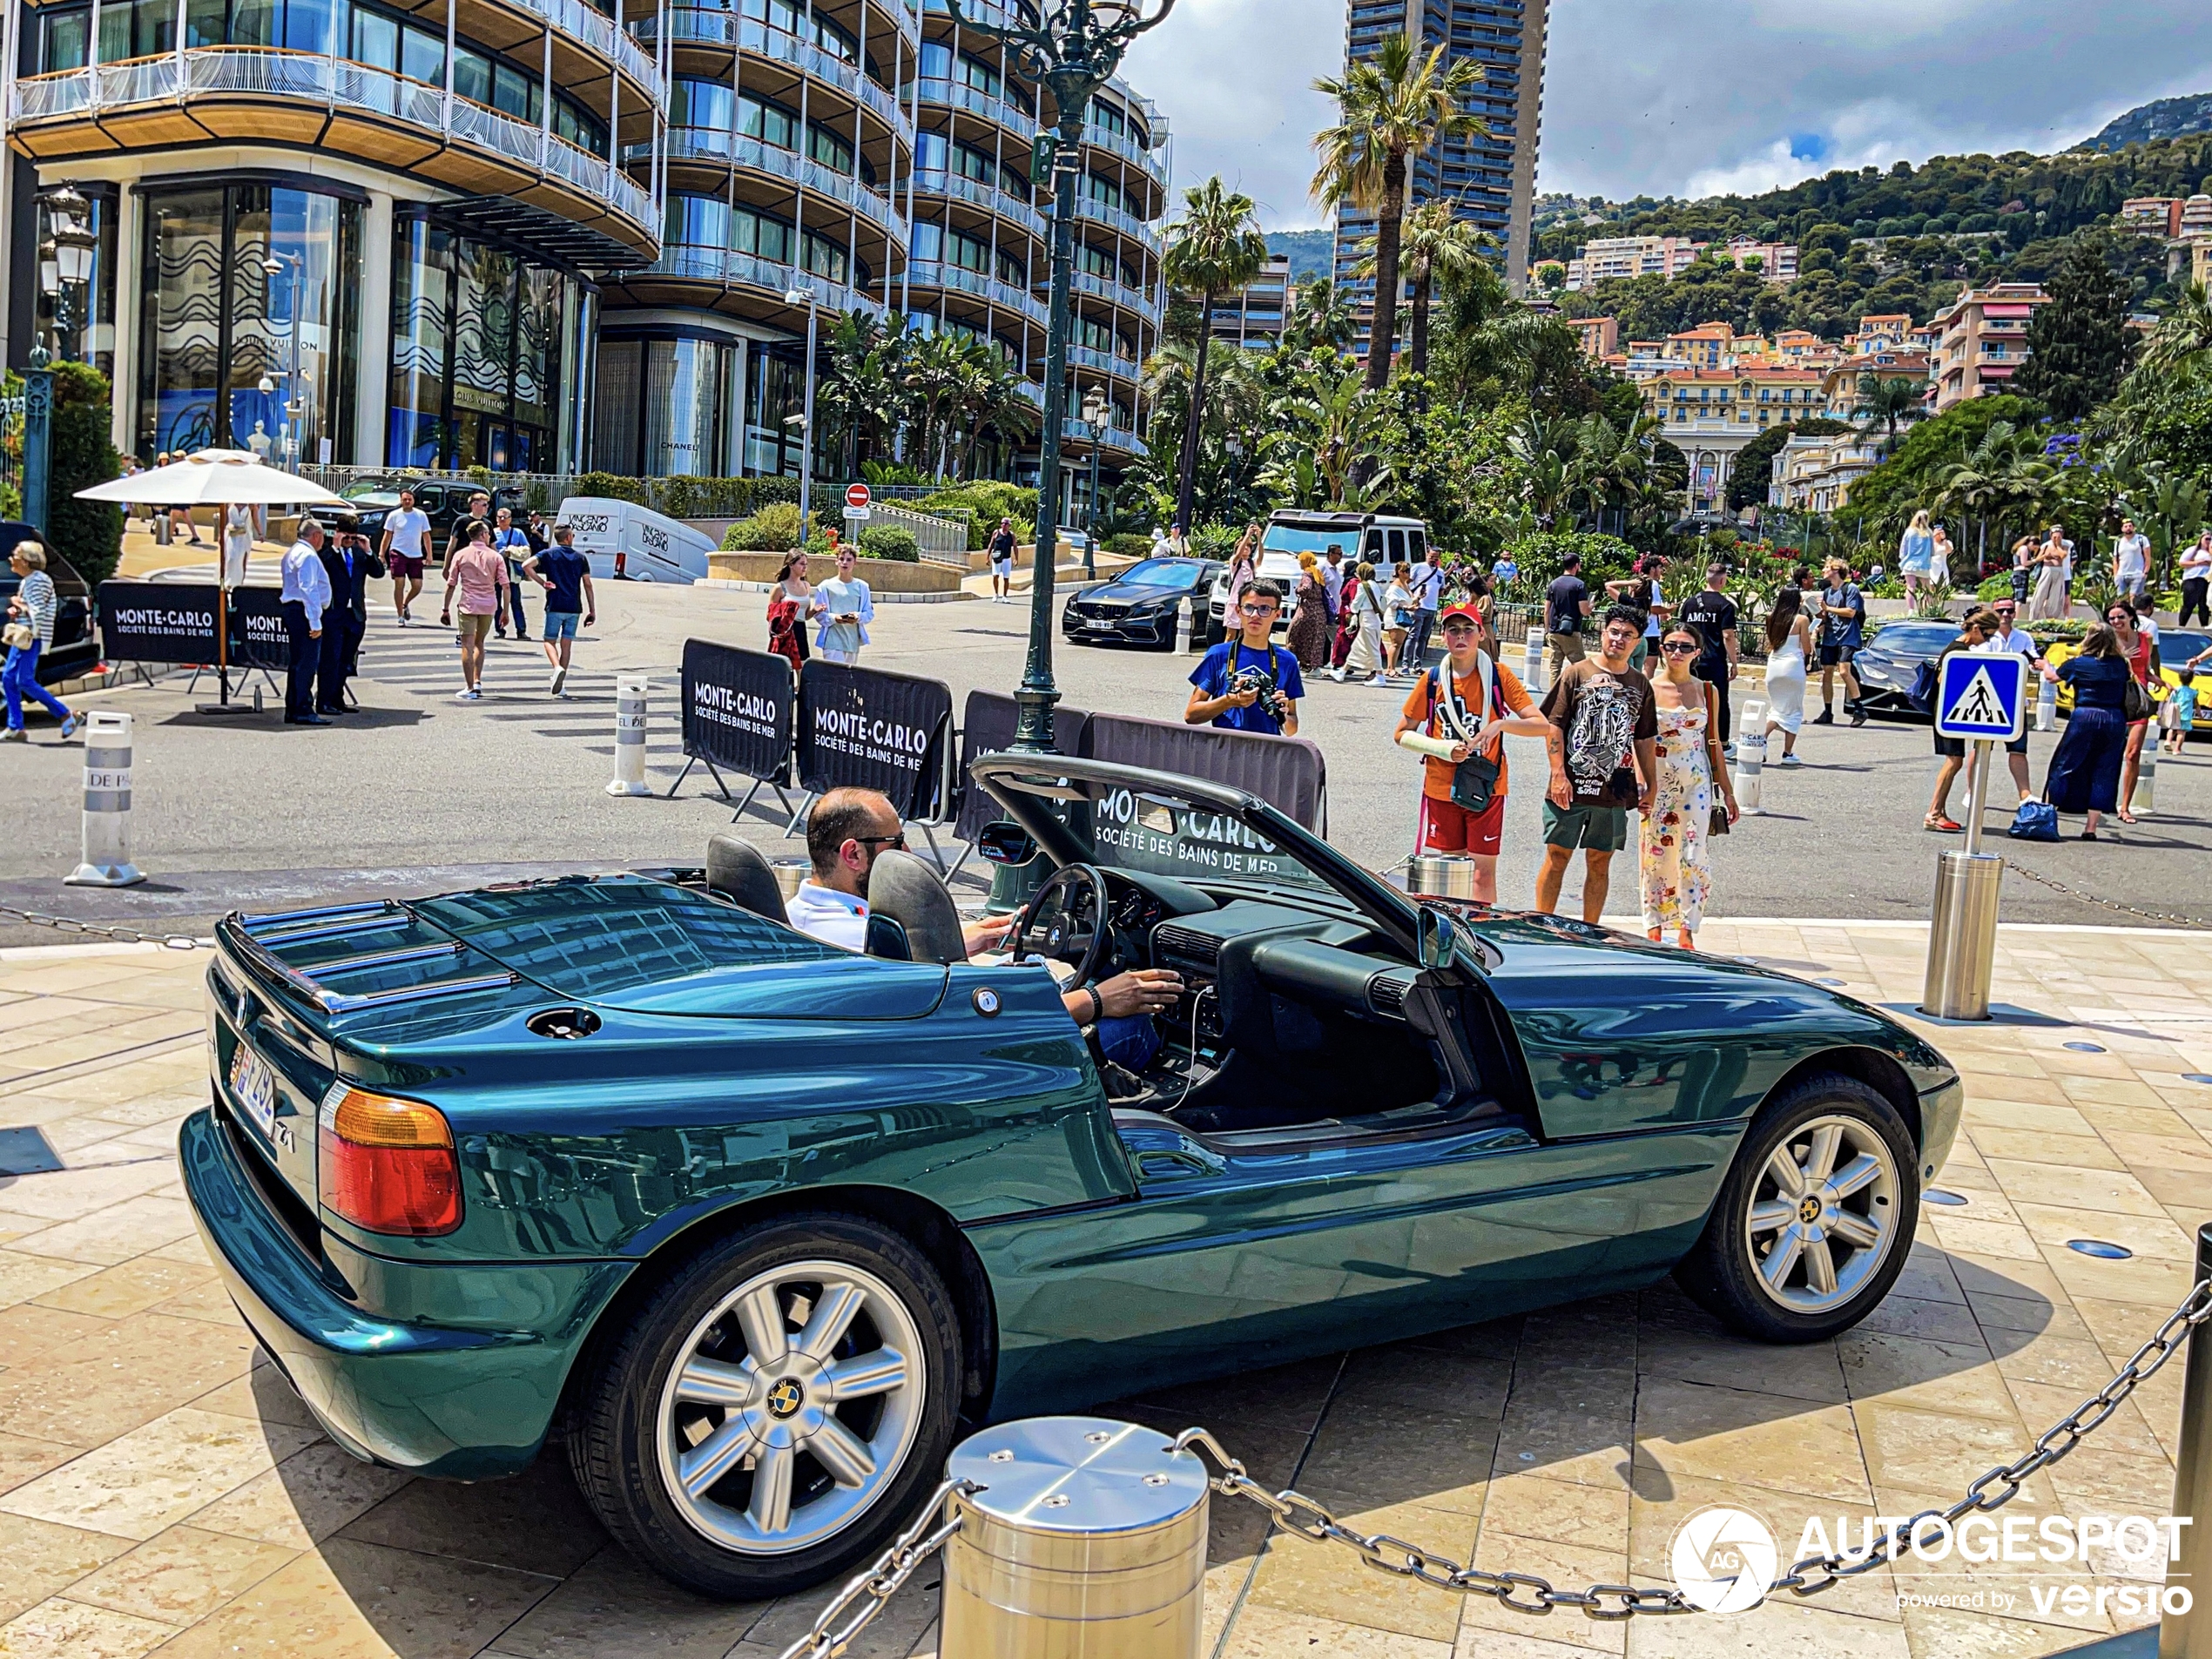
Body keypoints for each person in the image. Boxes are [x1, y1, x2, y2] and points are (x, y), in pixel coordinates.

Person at [788, 789, 1183, 1027]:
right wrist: (1098, 1001)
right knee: (1129, 1028)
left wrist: (980, 937)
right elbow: (975, 1021)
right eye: (896, 842)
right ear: (853, 853)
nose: (908, 852)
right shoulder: (857, 946)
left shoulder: (802, 915)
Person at [1393, 601, 1546, 903]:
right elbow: (1401, 734)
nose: (1460, 637)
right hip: (1442, 788)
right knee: (1451, 874)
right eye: (1453, 630)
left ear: (1481, 634)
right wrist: (1441, 748)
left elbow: (1540, 725)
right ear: (1444, 636)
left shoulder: (1498, 675)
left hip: (1485, 787)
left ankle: (1480, 936)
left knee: (1482, 873)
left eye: (1467, 629)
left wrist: (1499, 724)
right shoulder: (1433, 679)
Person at [1537, 606, 1658, 924]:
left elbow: (1644, 739)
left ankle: (1590, 930)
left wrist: (1652, 785)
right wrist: (1558, 774)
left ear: (1637, 642)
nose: (1619, 639)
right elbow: (1554, 725)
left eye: (1627, 635)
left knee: (1600, 862)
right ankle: (1540, 928)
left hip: (1614, 788)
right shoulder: (1576, 673)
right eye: (1614, 632)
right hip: (1570, 784)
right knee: (1557, 855)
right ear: (1603, 633)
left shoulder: (1640, 684)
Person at [1642, 622, 1740, 949]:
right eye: (1670, 645)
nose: (1676, 653)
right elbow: (1636, 742)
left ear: (1697, 652)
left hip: (1696, 781)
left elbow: (1714, 744)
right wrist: (1642, 782)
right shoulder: (1648, 687)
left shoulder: (1706, 691)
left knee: (1694, 854)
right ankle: (1655, 924)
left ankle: (1687, 929)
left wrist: (1727, 791)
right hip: (1659, 783)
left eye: (1685, 647)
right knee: (1657, 853)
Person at [2040, 624, 2132, 840]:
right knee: (2105, 770)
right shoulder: (2120, 664)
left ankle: (2048, 816)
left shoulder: (2079, 664)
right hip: (2114, 718)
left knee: (2065, 764)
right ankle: (2091, 828)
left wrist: (2045, 664)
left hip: (2085, 716)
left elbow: (2052, 678)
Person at [1187, 580, 1302, 735]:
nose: (1255, 615)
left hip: (1266, 752)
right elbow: (1191, 715)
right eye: (1248, 607)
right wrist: (1229, 701)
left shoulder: (1287, 661)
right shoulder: (1218, 654)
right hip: (1225, 750)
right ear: (1238, 610)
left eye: (1264, 609)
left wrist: (1282, 714)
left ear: (1277, 614)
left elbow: (1291, 730)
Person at [1925, 608, 2000, 833]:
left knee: (1954, 760)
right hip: (1948, 713)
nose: (1986, 640)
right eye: (1987, 635)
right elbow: (1944, 681)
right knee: (1954, 761)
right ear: (1976, 628)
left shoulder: (1959, 648)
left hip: (1949, 713)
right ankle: (1934, 812)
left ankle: (1938, 811)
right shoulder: (1957, 651)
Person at [2, 543, 81, 742]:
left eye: (15, 556)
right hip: (23, 637)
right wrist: (16, 610)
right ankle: (15, 726)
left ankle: (65, 714)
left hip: (31, 638)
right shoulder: (29, 580)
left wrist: (17, 603)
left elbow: (37, 611)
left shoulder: (38, 581)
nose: (11, 559)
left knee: (23, 680)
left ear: (26, 561)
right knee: (9, 679)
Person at [1973, 599, 2046, 806]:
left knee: (2018, 750)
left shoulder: (2023, 637)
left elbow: (2034, 663)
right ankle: (1971, 792)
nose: (2006, 614)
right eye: (2001, 610)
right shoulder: (1985, 638)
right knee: (1981, 749)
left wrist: (2039, 664)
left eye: (2010, 610)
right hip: (1988, 703)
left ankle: (2025, 795)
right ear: (1992, 612)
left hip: (2015, 703)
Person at [315, 516, 382, 715]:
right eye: (347, 538)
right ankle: (324, 700)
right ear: (338, 533)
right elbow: (322, 568)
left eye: (353, 538)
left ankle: (338, 698)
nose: (350, 542)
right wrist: (336, 548)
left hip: (355, 614)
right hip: (335, 613)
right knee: (331, 659)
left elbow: (378, 572)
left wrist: (369, 551)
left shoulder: (359, 552)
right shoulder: (327, 552)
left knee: (346, 660)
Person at [439, 519, 508, 701]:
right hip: (488, 605)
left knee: (466, 646)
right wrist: (505, 611)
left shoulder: (461, 555)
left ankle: (469, 688)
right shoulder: (496, 557)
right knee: (480, 643)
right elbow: (506, 586)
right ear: (484, 535)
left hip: (468, 605)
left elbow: (451, 584)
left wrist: (445, 608)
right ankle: (477, 681)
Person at [523, 525, 594, 696]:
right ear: (568, 538)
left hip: (555, 604)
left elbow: (526, 565)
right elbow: (588, 584)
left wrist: (542, 583)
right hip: (574, 607)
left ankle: (557, 668)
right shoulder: (581, 558)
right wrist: (592, 610)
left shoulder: (549, 554)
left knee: (549, 641)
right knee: (566, 645)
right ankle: (560, 683)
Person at [1677, 562, 1739, 755]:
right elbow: (1728, 636)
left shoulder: (1689, 603)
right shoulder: (1725, 605)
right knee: (1719, 701)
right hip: (1714, 661)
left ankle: (1689, 736)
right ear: (1722, 580)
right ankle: (1723, 742)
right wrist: (1734, 663)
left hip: (1692, 660)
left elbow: (1682, 631)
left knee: (1690, 699)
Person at [279, 518, 334, 726]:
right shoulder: (308, 555)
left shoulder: (293, 551)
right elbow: (308, 588)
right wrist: (315, 621)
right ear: (317, 536)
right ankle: (302, 708)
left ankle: (294, 707)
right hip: (303, 612)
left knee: (298, 663)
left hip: (295, 611)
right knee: (307, 663)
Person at [2107, 600, 2158, 824]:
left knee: (2133, 754)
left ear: (2130, 617)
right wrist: (2124, 658)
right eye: (2112, 619)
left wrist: (2162, 682)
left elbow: (2145, 671)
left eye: (2120, 617)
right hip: (2114, 699)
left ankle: (2125, 807)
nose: (2116, 621)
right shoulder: (2108, 642)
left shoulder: (2145, 638)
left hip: (2138, 702)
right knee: (2108, 754)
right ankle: (2101, 801)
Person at [1812, 558, 1867, 726]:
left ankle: (1859, 709)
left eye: (1827, 567)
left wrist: (1828, 609)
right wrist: (1820, 616)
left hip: (1848, 636)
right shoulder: (1828, 592)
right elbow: (1828, 616)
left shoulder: (1851, 589)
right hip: (1831, 636)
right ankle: (1827, 711)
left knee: (1844, 671)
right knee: (1827, 672)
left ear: (1837, 570)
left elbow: (1851, 612)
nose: (1823, 570)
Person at [1762, 586, 1811, 766]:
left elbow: (1773, 641)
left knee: (1777, 709)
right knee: (1793, 710)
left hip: (1774, 665)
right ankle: (1787, 753)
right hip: (1792, 666)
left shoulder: (1770, 617)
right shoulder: (1801, 620)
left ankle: (1760, 741)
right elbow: (1806, 648)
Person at [1604, 556, 1669, 671]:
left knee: (1627, 668)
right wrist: (1669, 609)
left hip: (1632, 638)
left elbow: (1609, 586)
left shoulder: (1629, 602)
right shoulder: (1646, 603)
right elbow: (1654, 608)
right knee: (1642, 670)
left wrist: (1629, 582)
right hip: (1645, 638)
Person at [380, 489, 432, 626]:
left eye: (409, 499)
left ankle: (405, 603)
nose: (407, 501)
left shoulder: (421, 516)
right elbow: (387, 535)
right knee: (400, 583)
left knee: (417, 585)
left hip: (415, 554)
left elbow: (426, 536)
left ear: (414, 500)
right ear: (400, 500)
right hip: (398, 551)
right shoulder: (394, 515)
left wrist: (429, 554)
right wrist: (381, 554)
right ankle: (400, 616)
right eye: (404, 499)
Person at [764, 550, 815, 678]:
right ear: (791, 565)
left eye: (806, 564)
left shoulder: (806, 586)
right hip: (786, 632)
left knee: (802, 667)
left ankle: (800, 695)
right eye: (801, 564)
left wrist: (815, 610)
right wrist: (785, 614)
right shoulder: (780, 588)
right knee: (784, 668)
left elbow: (805, 615)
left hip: (800, 629)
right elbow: (770, 615)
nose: (805, 567)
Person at [1544, 552, 1592, 685]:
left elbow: (1546, 609)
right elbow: (1584, 610)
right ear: (1576, 565)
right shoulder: (1579, 585)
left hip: (1554, 630)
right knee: (1581, 667)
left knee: (1554, 668)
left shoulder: (1553, 584)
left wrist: (1547, 630)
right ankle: (1581, 696)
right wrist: (1591, 606)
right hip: (1571, 631)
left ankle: (1552, 698)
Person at [491, 507, 533, 641]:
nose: (502, 519)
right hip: (496, 571)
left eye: (505, 517)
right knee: (496, 601)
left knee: (515, 600)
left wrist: (511, 551)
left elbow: (527, 550)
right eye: (500, 517)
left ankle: (521, 630)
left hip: (512, 571)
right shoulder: (492, 533)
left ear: (510, 519)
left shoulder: (518, 533)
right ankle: (499, 629)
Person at [1340, 562, 1384, 685]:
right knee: (1357, 647)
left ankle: (1380, 676)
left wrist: (1352, 609)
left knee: (1373, 648)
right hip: (1373, 618)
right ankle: (1343, 671)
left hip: (1366, 618)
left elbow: (1356, 604)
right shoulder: (1374, 584)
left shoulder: (1362, 585)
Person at [1286, 552, 1332, 671]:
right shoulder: (1317, 573)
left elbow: (1306, 588)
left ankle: (1294, 661)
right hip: (1320, 611)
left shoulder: (1307, 573)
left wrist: (1298, 590)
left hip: (1308, 610)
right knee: (1315, 640)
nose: (1299, 563)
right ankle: (1312, 666)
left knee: (1294, 634)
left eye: (1301, 560)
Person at [1404, 543, 1445, 671]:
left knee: (1423, 637)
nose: (1433, 559)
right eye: (1432, 556)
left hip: (1432, 608)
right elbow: (1406, 583)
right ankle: (1406, 663)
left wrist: (1446, 590)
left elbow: (1441, 591)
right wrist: (1412, 597)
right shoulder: (1419, 567)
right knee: (1413, 635)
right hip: (1419, 607)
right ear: (1427, 555)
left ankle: (1417, 664)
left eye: (1436, 557)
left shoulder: (1440, 572)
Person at [2030, 526, 2072, 621]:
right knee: (2040, 593)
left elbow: (2063, 555)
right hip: (2047, 570)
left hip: (2058, 571)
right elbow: (2038, 559)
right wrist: (2046, 555)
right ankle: (2034, 617)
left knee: (2055, 595)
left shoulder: (2065, 546)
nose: (2056, 538)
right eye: (2054, 537)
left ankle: (2051, 618)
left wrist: (2057, 545)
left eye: (2058, 536)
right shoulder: (2046, 546)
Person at [1380, 564, 1414, 679]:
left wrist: (1419, 598)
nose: (1408, 573)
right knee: (1395, 643)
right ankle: (1390, 669)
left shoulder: (1406, 585)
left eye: (1409, 571)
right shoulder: (1394, 586)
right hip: (1395, 617)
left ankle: (1393, 667)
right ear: (1399, 572)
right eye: (1406, 571)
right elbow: (1392, 603)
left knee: (1398, 644)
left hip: (1404, 616)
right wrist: (1406, 608)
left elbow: (1409, 600)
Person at [2113, 518, 2152, 610]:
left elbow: (2148, 557)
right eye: (2126, 526)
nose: (2128, 528)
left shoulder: (2141, 539)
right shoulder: (2118, 542)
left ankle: (2134, 619)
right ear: (2122, 529)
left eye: (2130, 526)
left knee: (2134, 599)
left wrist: (2145, 572)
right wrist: (2116, 575)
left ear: (2134, 527)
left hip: (2137, 574)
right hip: (2122, 575)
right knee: (2121, 600)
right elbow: (2115, 560)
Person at [1898, 509, 1935, 602]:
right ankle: (1926, 610)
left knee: (1910, 587)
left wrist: (1903, 559)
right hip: (1923, 564)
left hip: (1909, 564)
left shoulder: (1909, 532)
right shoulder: (1929, 533)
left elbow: (1903, 549)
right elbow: (1932, 551)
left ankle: (1911, 610)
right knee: (1926, 589)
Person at [220, 501, 255, 590]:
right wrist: (220, 534)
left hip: (244, 536)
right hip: (231, 535)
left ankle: (239, 583)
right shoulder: (229, 502)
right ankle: (228, 582)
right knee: (230, 558)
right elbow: (224, 519)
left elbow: (255, 519)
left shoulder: (250, 504)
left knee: (241, 559)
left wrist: (260, 533)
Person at [2160, 670, 2195, 755]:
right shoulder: (2193, 692)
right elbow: (2196, 704)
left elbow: (2170, 698)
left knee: (2173, 728)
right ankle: (2177, 749)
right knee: (2181, 732)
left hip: (2175, 712)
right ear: (2192, 679)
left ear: (2179, 679)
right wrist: (2199, 713)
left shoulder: (2176, 689)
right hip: (2185, 715)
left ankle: (2168, 741)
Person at [2181, 531, 2212, 628]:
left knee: (2204, 605)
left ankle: (2204, 626)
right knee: (2189, 604)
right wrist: (2199, 562)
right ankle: (2182, 625)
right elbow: (2182, 563)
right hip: (2192, 579)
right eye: (2207, 539)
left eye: (2210, 540)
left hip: (2205, 580)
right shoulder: (2193, 550)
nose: (2208, 541)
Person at [988, 516, 1018, 604]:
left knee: (1006, 578)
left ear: (1009, 526)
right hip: (997, 557)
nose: (1004, 525)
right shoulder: (996, 533)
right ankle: (996, 594)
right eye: (1003, 523)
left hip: (1006, 559)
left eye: (1006, 524)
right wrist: (987, 557)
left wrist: (1016, 558)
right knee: (995, 576)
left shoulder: (1011, 535)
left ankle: (1005, 596)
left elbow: (1015, 547)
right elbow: (991, 545)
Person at [1321, 544, 1346, 622]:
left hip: (1336, 611)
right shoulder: (1322, 568)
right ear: (1331, 554)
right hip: (1326, 610)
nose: (1341, 556)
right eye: (1339, 554)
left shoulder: (1337, 570)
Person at [2009, 537, 2036, 610]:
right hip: (2021, 573)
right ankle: (2016, 617)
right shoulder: (2024, 548)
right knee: (2020, 597)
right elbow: (2024, 563)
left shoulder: (2020, 548)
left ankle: (2015, 615)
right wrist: (2034, 561)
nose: (2033, 549)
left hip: (2017, 573)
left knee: (2017, 595)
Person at [1929, 523, 1953, 590]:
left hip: (1942, 569)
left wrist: (1944, 538)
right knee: (1930, 591)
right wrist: (1933, 536)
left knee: (1941, 589)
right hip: (1931, 569)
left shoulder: (1947, 542)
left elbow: (1949, 550)